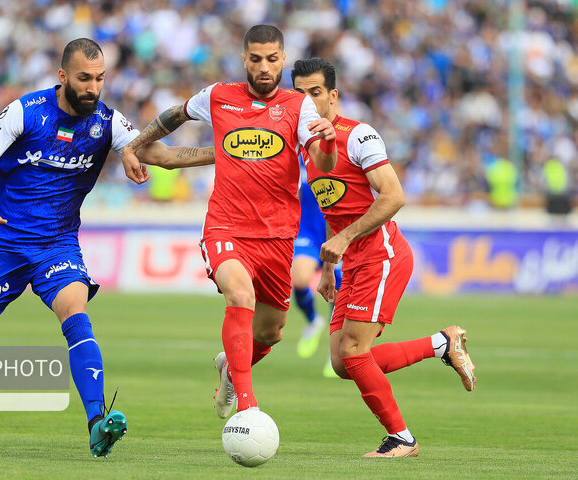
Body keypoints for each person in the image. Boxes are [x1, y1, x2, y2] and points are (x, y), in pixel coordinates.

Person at [0, 38, 214, 458]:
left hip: (56, 245)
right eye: (84, 79)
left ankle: (97, 421)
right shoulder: (26, 111)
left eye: (100, 79)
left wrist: (225, 153)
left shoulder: (107, 121)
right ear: (62, 77)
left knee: (76, 313)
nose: (93, 87)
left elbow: (161, 154)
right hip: (2, 241)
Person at [122, 25, 338, 419]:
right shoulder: (219, 95)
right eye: (255, 59)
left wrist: (327, 140)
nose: (264, 67)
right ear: (245, 59)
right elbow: (175, 114)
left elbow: (323, 166)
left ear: (283, 59)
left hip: (277, 236)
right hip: (226, 227)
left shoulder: (299, 106)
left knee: (270, 332)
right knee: (240, 296)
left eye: (272, 59)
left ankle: (229, 368)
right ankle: (249, 407)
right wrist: (134, 145)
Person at [292, 57, 477, 457]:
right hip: (353, 261)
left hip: (382, 255)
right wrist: (328, 267)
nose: (307, 101)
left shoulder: (359, 136)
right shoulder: (307, 148)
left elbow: (394, 197)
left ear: (333, 96)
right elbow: (332, 207)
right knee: (343, 362)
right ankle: (441, 344)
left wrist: (344, 240)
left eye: (315, 92)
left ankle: (401, 438)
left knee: (354, 353)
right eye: (299, 94)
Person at [292, 159, 342, 372]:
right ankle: (313, 321)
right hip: (308, 231)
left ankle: (336, 353)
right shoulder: (299, 154)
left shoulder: (343, 152)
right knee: (300, 279)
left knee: (338, 294)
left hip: (339, 230)